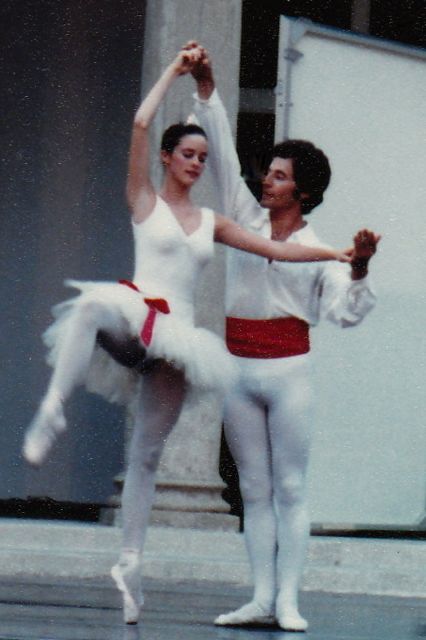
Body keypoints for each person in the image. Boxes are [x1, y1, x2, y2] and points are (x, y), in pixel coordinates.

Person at [22, 48, 352, 625]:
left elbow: (277, 250)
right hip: (138, 314)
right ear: (167, 158)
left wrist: (340, 254)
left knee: (148, 455)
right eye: (188, 155)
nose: (198, 164)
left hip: (178, 339)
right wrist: (176, 73)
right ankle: (53, 405)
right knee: (92, 304)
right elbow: (140, 123)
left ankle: (130, 563)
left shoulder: (215, 223)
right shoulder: (143, 200)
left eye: (203, 157)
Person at [186, 42, 380, 632]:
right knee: (254, 488)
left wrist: (360, 268)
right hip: (238, 368)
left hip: (288, 372)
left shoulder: (320, 250)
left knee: (290, 487)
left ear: (303, 192)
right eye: (268, 173)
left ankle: (289, 601)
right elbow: (221, 150)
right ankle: (261, 597)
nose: (265, 181)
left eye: (278, 176)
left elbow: (345, 313)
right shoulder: (244, 218)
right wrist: (206, 85)